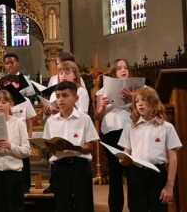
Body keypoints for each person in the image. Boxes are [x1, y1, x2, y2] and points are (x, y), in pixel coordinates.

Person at [118, 86, 182, 212]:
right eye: (137, 101)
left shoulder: (166, 127)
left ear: (154, 102)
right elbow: (126, 151)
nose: (140, 104)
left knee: (158, 208)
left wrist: (169, 186)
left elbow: (173, 157)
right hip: (136, 173)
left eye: (144, 100)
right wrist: (123, 159)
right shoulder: (130, 126)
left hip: (157, 174)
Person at [43, 81, 99, 212]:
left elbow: (91, 146)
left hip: (80, 165)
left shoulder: (84, 119)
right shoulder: (51, 121)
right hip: (59, 166)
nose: (60, 99)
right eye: (58, 96)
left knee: (83, 204)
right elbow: (47, 146)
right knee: (62, 204)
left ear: (76, 98)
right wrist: (50, 147)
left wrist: (74, 147)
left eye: (65, 95)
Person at [95, 59, 133, 212]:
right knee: (115, 172)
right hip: (111, 132)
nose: (123, 70)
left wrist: (133, 97)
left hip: (130, 131)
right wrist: (102, 107)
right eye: (119, 68)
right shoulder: (103, 90)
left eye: (126, 67)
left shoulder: (137, 88)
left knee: (132, 172)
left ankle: (134, 206)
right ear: (113, 73)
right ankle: (115, 209)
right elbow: (98, 116)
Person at [0, 75, 37, 193]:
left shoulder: (25, 100)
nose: (10, 86)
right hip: (4, 134)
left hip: (20, 135)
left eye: (13, 83)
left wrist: (29, 135)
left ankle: (25, 186)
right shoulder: (0, 102)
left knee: (23, 161)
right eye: (7, 83)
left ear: (18, 85)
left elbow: (30, 119)